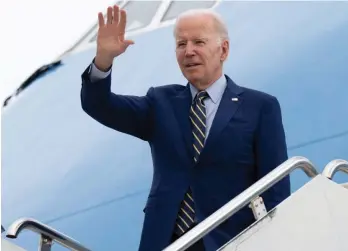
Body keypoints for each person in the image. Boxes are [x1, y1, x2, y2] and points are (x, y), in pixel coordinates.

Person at [80, 5, 290, 251]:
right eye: (181, 44)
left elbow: (276, 191)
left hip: (232, 242)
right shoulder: (160, 103)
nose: (189, 51)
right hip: (167, 243)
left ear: (223, 49)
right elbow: (99, 105)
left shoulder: (260, 107)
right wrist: (103, 60)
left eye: (199, 42)